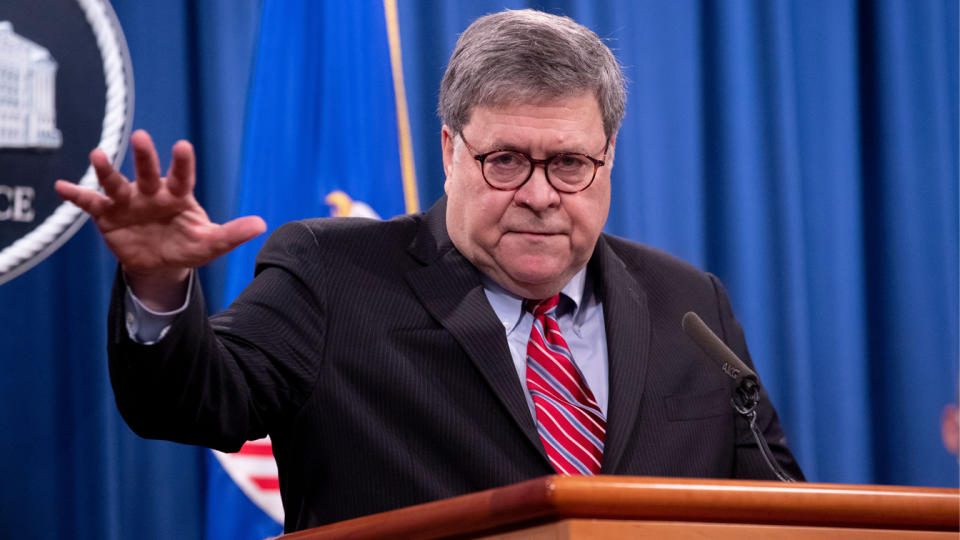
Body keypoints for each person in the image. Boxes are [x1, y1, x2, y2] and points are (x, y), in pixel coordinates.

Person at [56, 9, 803, 532]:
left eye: (570, 163)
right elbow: (194, 404)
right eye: (506, 159)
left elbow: (781, 506)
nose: (540, 195)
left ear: (608, 160)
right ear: (449, 151)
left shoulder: (686, 303)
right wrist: (159, 289)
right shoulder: (332, 273)